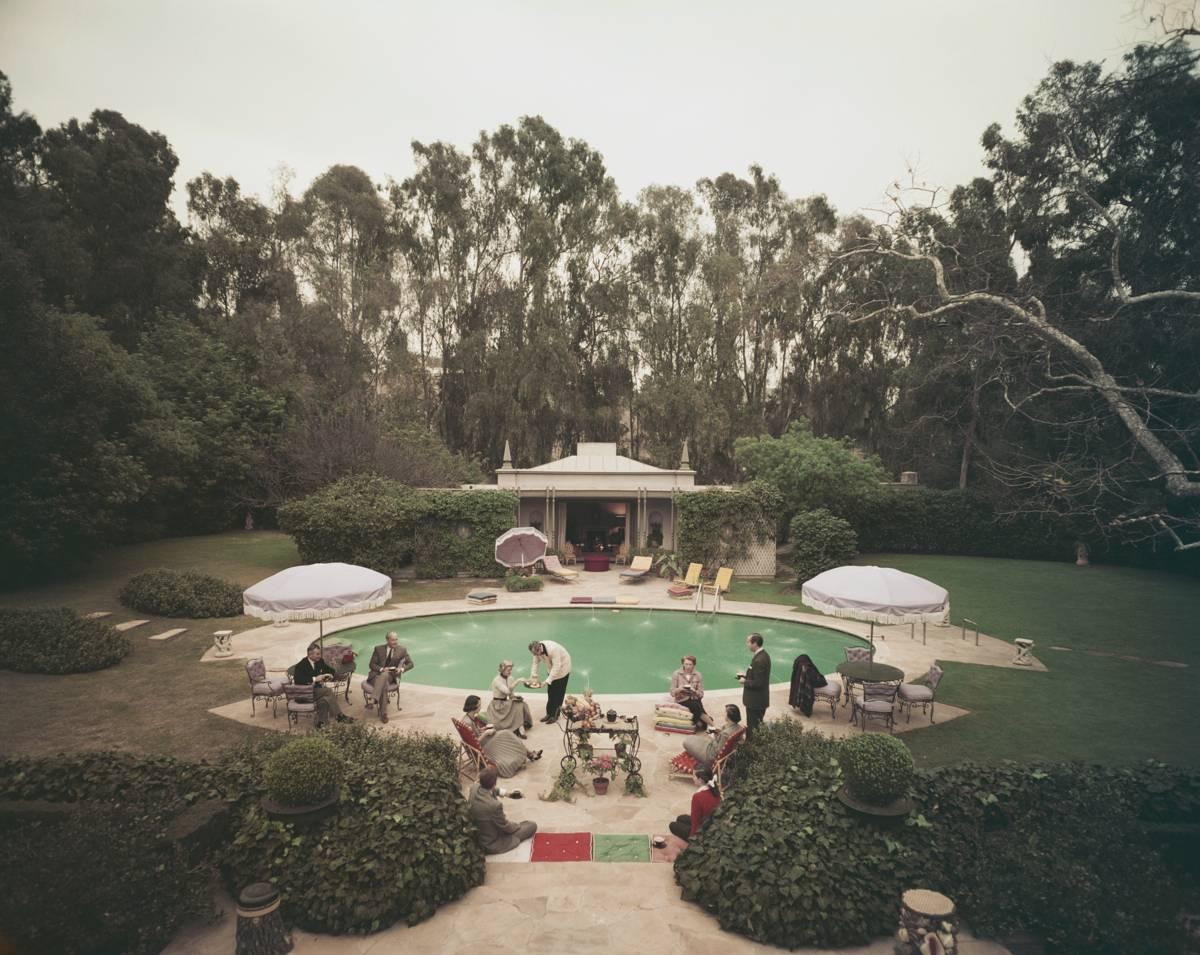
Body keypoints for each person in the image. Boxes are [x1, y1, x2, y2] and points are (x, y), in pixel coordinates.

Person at [463, 696, 542, 777]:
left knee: (507, 735)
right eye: (479, 705)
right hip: (484, 745)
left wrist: (484, 728)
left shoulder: (468, 718)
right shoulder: (468, 723)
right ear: (474, 707)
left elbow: (475, 734)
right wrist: (486, 733)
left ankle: (530, 754)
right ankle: (529, 754)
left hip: (485, 741)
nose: (480, 707)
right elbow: (475, 743)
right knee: (507, 735)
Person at [467, 766, 538, 855]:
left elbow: (491, 789)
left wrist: (508, 794)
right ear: (494, 783)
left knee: (522, 825)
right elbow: (506, 826)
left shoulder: (474, 788)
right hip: (491, 843)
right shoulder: (495, 806)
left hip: (479, 835)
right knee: (531, 825)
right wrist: (517, 826)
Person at [292, 643, 354, 728]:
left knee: (324, 701)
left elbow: (329, 669)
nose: (319, 655)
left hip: (316, 691)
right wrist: (314, 679)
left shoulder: (319, 661)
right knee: (328, 691)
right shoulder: (301, 666)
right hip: (304, 694)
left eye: (319, 653)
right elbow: (299, 680)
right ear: (310, 654)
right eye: (317, 654)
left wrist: (330, 674)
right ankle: (339, 716)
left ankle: (321, 723)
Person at [366, 631, 414, 724]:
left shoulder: (402, 650)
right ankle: (384, 714)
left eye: (396, 639)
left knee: (385, 675)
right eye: (393, 640)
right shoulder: (378, 649)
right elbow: (372, 664)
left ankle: (373, 699)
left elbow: (411, 664)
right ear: (387, 640)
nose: (395, 642)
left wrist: (401, 669)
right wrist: (382, 669)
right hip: (375, 676)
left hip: (390, 676)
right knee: (383, 684)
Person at [668, 766, 721, 841]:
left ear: (700, 780)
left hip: (701, 832)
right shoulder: (715, 790)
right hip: (709, 825)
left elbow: (695, 822)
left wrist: (692, 838)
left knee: (672, 825)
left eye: (694, 776)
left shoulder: (697, 797)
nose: (692, 778)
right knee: (680, 818)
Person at [682, 703, 742, 769]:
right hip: (711, 746)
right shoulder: (738, 728)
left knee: (685, 741)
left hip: (709, 755)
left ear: (728, 716)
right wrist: (717, 733)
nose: (724, 714)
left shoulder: (725, 734)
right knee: (692, 738)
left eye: (725, 713)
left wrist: (714, 736)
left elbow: (718, 752)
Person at [486, 660, 534, 737]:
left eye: (510, 670)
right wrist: (518, 681)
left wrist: (516, 697)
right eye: (508, 670)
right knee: (518, 706)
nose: (510, 672)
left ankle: (520, 726)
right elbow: (507, 691)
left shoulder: (510, 678)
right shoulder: (496, 680)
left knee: (522, 704)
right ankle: (519, 728)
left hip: (506, 703)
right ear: (502, 670)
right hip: (498, 705)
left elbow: (511, 694)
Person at [529, 640, 572, 723]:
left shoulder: (553, 649)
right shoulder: (536, 651)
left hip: (562, 668)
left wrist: (546, 681)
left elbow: (557, 667)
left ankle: (555, 716)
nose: (535, 655)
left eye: (535, 654)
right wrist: (533, 675)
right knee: (551, 692)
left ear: (539, 649)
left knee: (558, 694)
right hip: (551, 668)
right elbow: (535, 663)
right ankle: (549, 714)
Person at [737, 632, 771, 737]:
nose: (747, 644)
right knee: (755, 725)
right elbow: (758, 677)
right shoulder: (762, 655)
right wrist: (746, 675)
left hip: (755, 701)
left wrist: (744, 682)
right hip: (758, 700)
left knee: (753, 727)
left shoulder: (759, 660)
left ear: (755, 643)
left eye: (748, 642)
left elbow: (759, 683)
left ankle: (751, 748)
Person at [669, 654, 712, 731]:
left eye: (690, 664)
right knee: (697, 707)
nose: (688, 666)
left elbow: (701, 694)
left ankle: (707, 722)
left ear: (694, 665)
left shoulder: (698, 675)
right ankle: (694, 724)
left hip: (695, 698)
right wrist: (680, 689)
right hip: (682, 699)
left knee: (703, 725)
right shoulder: (676, 674)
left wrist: (694, 691)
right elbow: (672, 693)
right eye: (686, 664)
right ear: (683, 664)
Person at [788, 653, 828, 717]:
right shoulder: (809, 670)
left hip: (805, 682)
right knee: (822, 680)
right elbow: (818, 681)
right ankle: (805, 707)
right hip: (812, 683)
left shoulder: (802, 668)